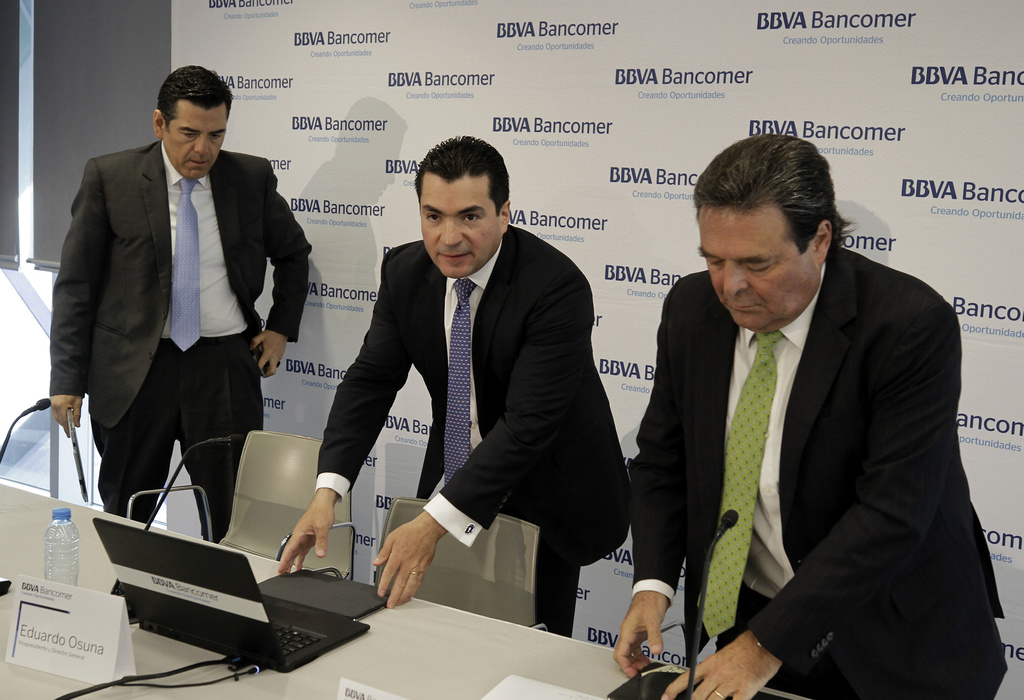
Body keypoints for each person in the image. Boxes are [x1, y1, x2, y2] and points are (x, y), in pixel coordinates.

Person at [613, 134, 1005, 699]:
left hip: (894, 642)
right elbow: (662, 462)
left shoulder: (908, 325)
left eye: (757, 263)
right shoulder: (691, 309)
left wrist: (765, 645)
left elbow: (891, 513)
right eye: (714, 260)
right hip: (757, 624)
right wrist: (652, 586)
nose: (731, 286)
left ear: (820, 240)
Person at [279, 135, 629, 636]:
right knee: (434, 632)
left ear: (504, 213)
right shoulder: (404, 272)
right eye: (433, 216)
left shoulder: (555, 287)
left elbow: (528, 426)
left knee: (532, 645)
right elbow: (371, 381)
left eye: (469, 216)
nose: (449, 238)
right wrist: (327, 491)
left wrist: (429, 523)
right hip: (457, 471)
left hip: (547, 484)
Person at [49, 65, 311, 542]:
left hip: (223, 368)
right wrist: (67, 379)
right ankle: (127, 587)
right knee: (129, 514)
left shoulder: (250, 177)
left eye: (216, 135)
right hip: (135, 372)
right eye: (189, 133)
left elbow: (294, 254)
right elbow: (76, 285)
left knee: (230, 518)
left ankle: (226, 591)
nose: (203, 149)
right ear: (159, 124)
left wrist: (280, 328)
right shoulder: (110, 178)